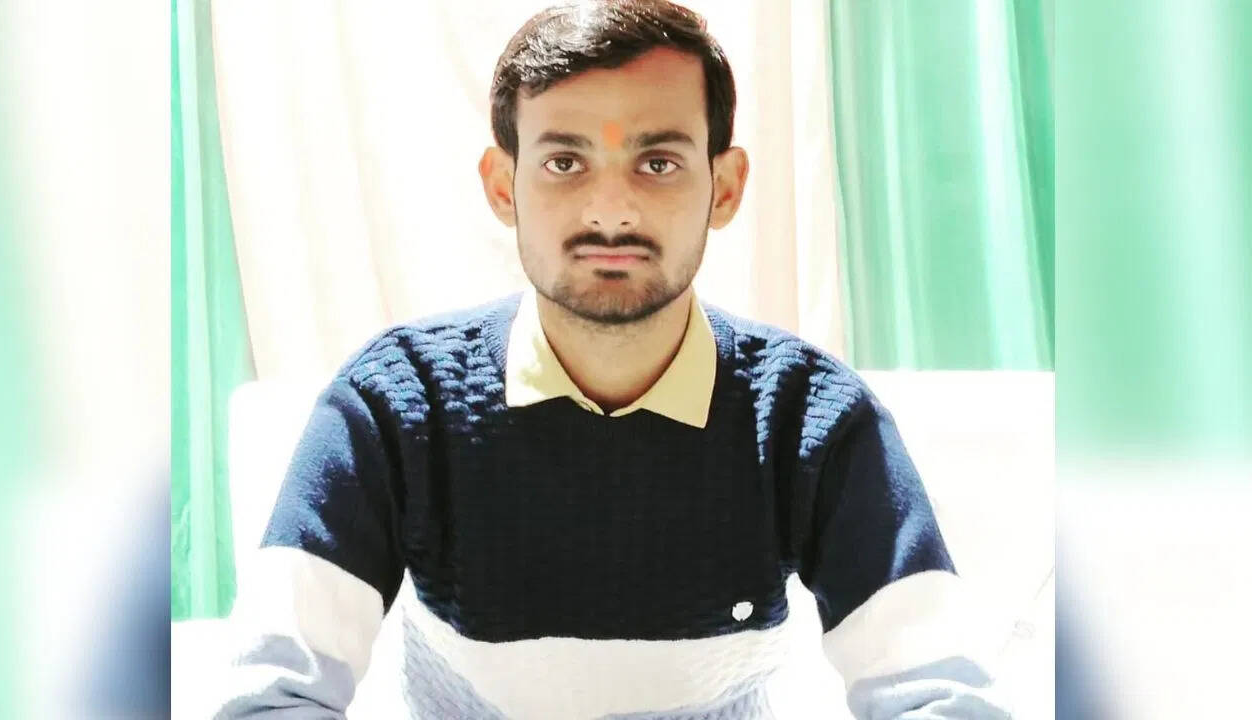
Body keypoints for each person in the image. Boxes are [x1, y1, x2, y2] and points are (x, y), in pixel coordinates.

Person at [213, 1, 1011, 717]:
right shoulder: (393, 403)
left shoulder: (811, 416)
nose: (611, 210)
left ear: (725, 186)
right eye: (565, 162)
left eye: (658, 163)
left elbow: (938, 695)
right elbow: (270, 698)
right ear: (503, 186)